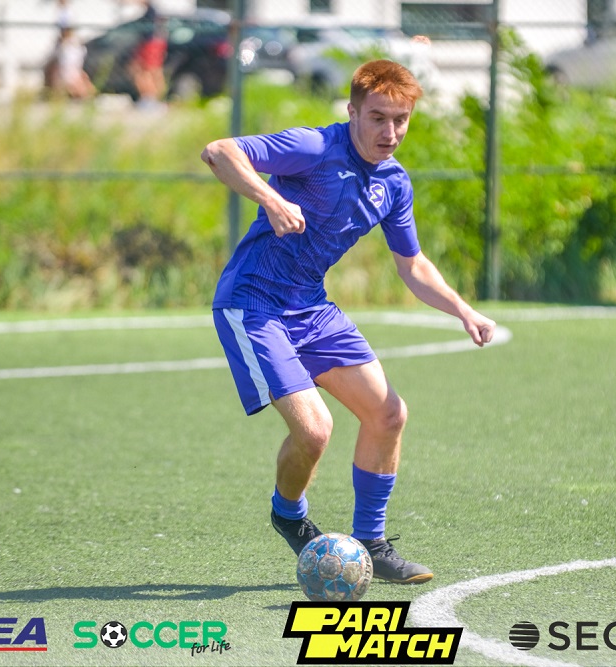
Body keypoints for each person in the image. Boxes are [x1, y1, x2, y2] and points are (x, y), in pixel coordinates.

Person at [202, 59, 496, 584]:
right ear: (353, 112)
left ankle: (372, 544)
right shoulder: (314, 147)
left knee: (388, 415)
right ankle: (289, 515)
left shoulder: (394, 183)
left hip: (312, 308)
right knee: (315, 431)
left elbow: (412, 265)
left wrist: (463, 309)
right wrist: (270, 197)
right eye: (378, 117)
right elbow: (220, 151)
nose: (390, 132)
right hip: (253, 303)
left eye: (400, 120)